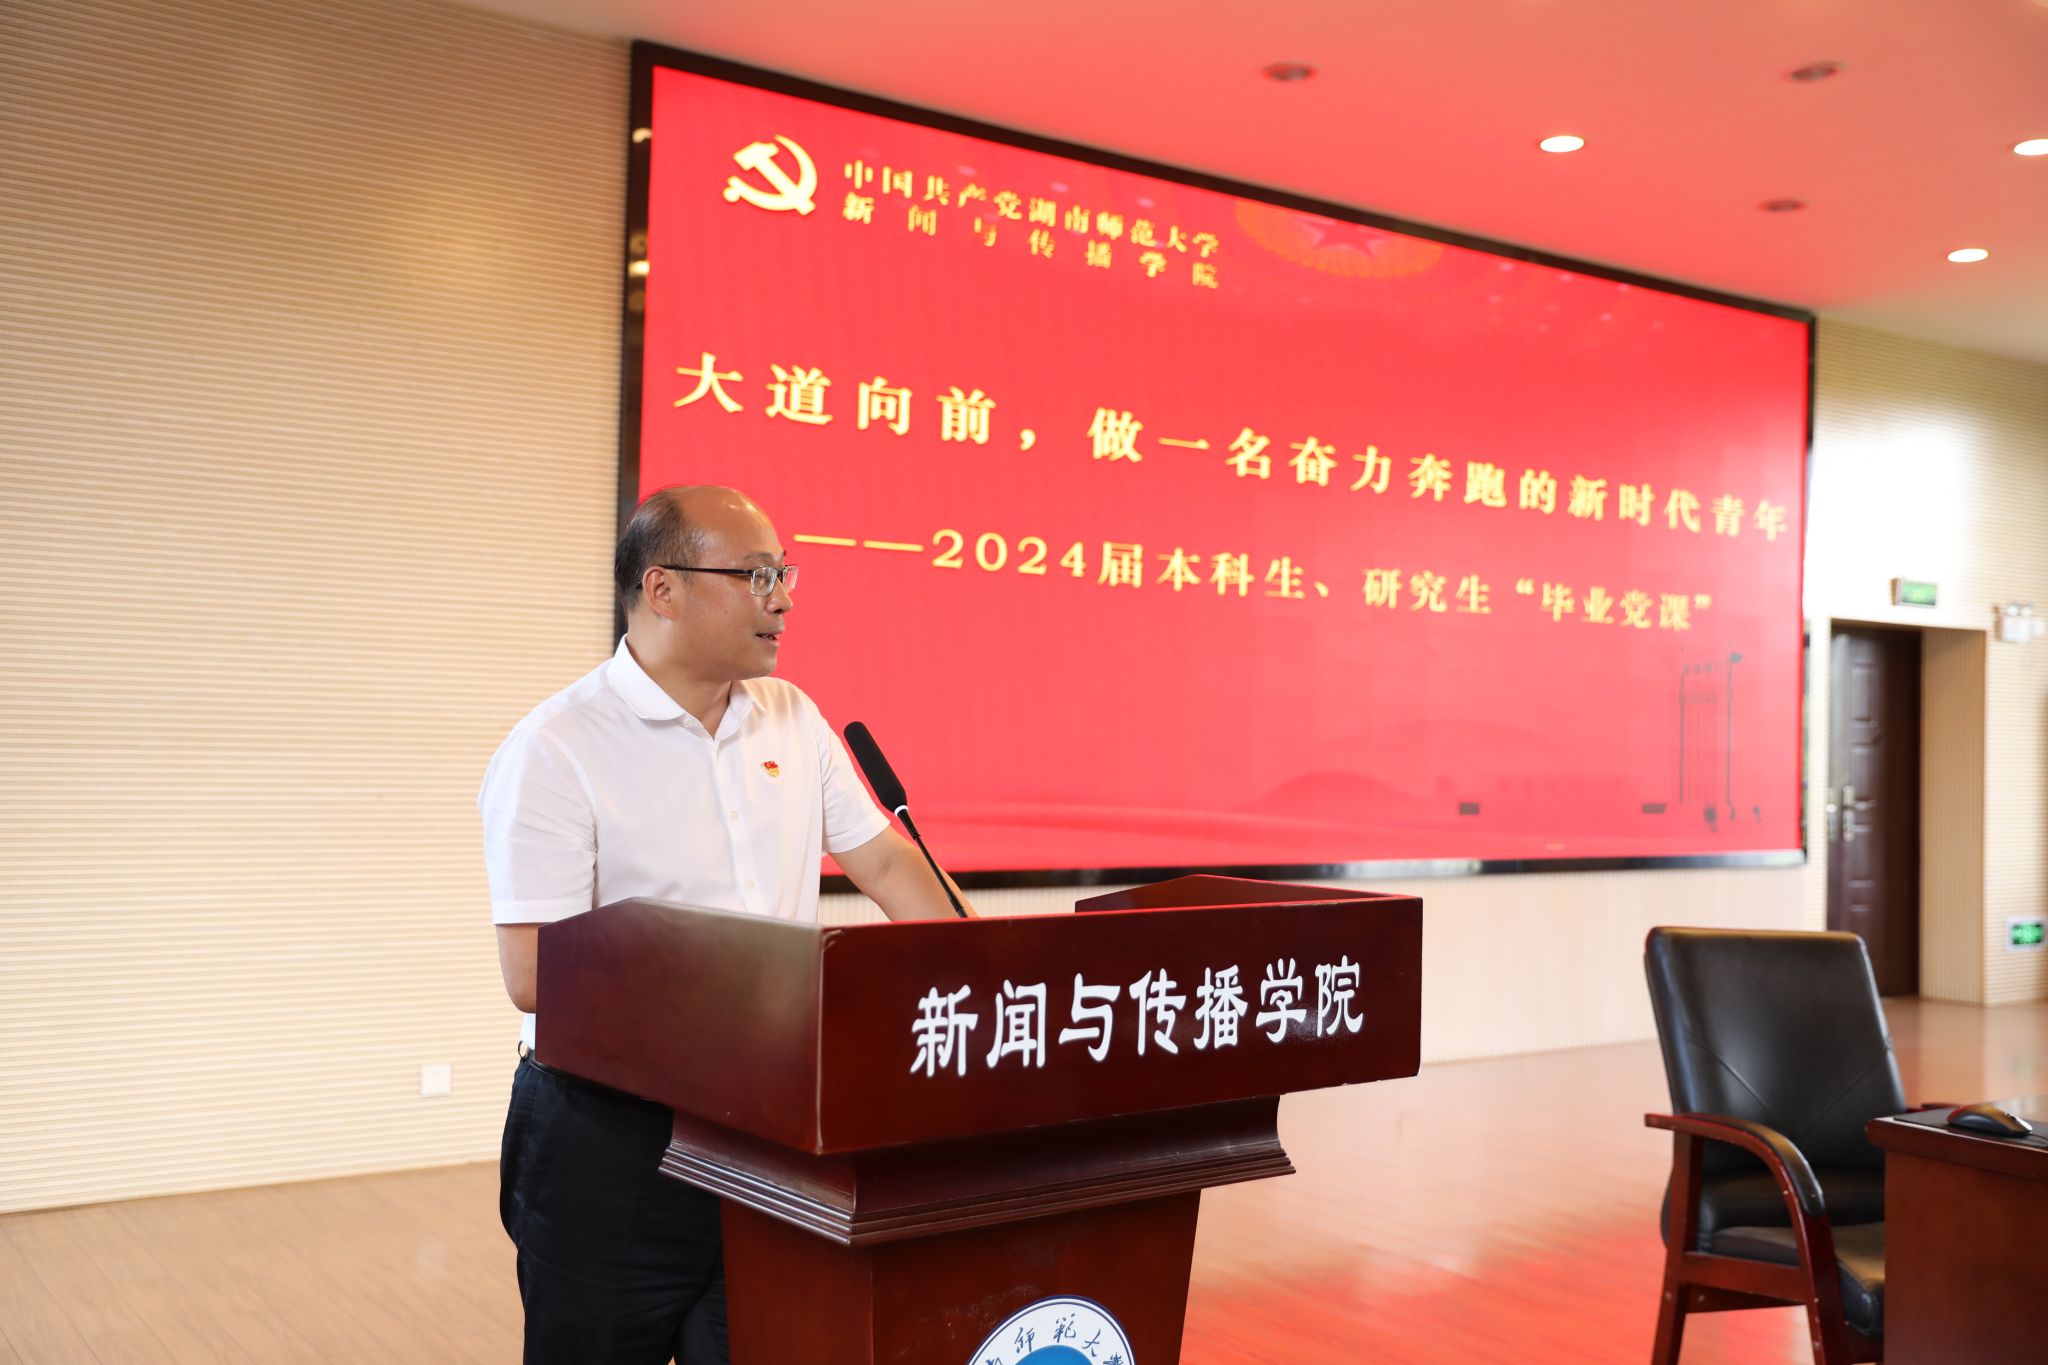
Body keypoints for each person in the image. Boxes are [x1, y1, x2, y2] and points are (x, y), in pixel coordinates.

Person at [480, 485, 973, 1364]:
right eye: (756, 576)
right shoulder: (556, 747)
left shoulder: (793, 718)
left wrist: (988, 966)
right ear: (661, 588)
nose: (782, 599)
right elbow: (534, 972)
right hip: (611, 1137)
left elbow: (889, 865)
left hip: (768, 1127)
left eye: (785, 574)